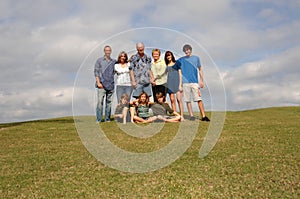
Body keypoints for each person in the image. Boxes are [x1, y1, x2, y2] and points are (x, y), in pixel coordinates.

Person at [178, 44, 210, 121]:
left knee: (199, 98)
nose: (186, 51)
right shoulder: (181, 60)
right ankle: (191, 115)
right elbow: (179, 72)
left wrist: (201, 80)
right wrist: (180, 84)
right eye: (185, 50)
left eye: (187, 49)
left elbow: (200, 69)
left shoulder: (196, 58)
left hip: (195, 82)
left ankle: (203, 116)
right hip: (185, 83)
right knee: (188, 100)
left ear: (190, 50)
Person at [94, 45, 116, 122]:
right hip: (101, 85)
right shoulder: (99, 60)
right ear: (104, 51)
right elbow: (96, 72)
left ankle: (107, 119)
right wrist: (98, 82)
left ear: (111, 51)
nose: (108, 52)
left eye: (109, 50)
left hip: (110, 85)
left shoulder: (113, 61)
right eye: (106, 50)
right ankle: (99, 119)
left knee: (109, 103)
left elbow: (121, 64)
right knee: (100, 102)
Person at [164, 51, 184, 121]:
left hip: (177, 84)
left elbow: (180, 74)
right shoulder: (166, 65)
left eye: (169, 55)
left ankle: (181, 116)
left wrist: (180, 85)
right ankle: (175, 115)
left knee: (179, 100)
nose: (168, 57)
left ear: (172, 56)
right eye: (167, 56)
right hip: (169, 84)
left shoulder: (177, 63)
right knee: (172, 100)